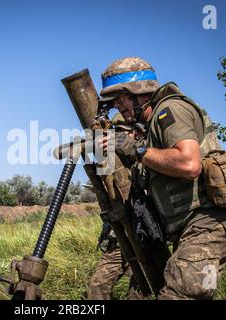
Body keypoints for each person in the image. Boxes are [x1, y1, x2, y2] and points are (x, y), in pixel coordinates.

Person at [98, 57, 226, 300]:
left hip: (209, 226)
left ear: (139, 92)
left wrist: (136, 150)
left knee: (176, 296)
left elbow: (189, 164)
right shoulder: (149, 128)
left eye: (120, 98)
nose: (116, 106)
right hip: (188, 230)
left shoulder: (170, 110)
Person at [87, 113, 146, 300]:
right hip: (118, 240)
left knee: (138, 292)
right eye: (116, 133)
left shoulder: (145, 157)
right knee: (96, 289)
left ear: (135, 134)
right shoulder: (108, 161)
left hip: (145, 238)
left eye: (124, 133)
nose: (118, 138)